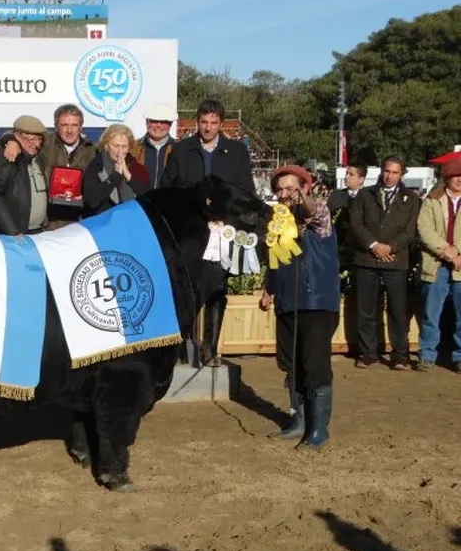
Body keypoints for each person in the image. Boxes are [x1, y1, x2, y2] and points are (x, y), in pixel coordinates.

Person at [161, 99, 255, 367]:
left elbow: (246, 191)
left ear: (221, 124)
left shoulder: (237, 151)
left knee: (216, 289)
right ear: (197, 122)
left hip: (223, 232)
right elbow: (168, 187)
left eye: (214, 123)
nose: (208, 127)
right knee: (184, 290)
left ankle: (210, 350)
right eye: (204, 122)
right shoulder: (181, 150)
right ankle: (182, 348)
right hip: (189, 232)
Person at [259, 165, 340, 449]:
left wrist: (303, 198)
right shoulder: (279, 222)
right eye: (280, 190)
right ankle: (299, 420)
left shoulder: (320, 216)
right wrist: (269, 289)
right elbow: (276, 259)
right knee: (291, 364)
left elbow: (313, 210)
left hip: (316, 301)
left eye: (291, 188)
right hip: (287, 301)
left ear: (305, 188)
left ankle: (318, 429)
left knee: (315, 365)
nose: (284, 194)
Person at [348, 154, 420, 370]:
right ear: (381, 171)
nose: (390, 176)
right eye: (387, 171)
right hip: (366, 258)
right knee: (366, 309)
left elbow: (410, 231)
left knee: (398, 310)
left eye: (395, 172)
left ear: (402, 174)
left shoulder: (412, 199)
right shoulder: (364, 195)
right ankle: (368, 352)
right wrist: (374, 245)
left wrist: (390, 248)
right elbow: (356, 224)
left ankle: (400, 355)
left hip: (396, 260)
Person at [415, 152, 461, 372]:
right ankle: (427, 355)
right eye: (456, 175)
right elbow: (424, 230)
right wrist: (447, 252)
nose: (460, 179)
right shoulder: (431, 200)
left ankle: (459, 356)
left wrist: (458, 251)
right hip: (436, 263)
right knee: (431, 313)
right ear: (447, 177)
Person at [0, 115, 49, 235]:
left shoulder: (37, 156)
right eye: (32, 139)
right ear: (18, 136)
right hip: (15, 235)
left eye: (39, 139)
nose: (37, 144)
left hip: (37, 232)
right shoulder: (6, 156)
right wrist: (13, 232)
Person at [82, 124, 150, 217]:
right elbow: (92, 201)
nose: (120, 151)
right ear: (106, 146)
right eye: (116, 146)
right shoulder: (96, 166)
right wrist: (115, 176)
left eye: (124, 146)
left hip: (131, 218)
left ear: (129, 148)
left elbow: (148, 199)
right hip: (104, 219)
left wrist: (129, 177)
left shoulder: (137, 167)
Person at [136, 104, 177, 188]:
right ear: (147, 122)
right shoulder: (133, 147)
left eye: (164, 122)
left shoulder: (179, 149)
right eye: (154, 121)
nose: (159, 125)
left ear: (170, 124)